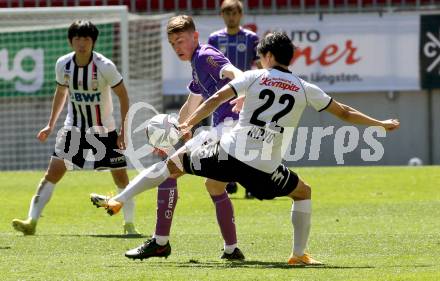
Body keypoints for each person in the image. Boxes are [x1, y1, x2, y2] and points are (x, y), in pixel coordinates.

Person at [90, 32, 400, 264]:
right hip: (265, 168)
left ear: (266, 56)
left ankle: (119, 200)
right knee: (303, 192)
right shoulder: (306, 88)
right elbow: (344, 111)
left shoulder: (255, 76)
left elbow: (214, 100)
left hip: (229, 153)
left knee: (173, 164)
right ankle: (298, 254)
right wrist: (379, 124)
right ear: (289, 58)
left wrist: (188, 124)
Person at [94, 15, 245, 259]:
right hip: (229, 134)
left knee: (168, 169)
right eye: (173, 43)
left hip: (230, 131)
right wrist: (173, 132)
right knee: (214, 185)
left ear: (195, 37)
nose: (177, 47)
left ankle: (142, 223)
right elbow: (191, 103)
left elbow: (235, 72)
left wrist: (242, 92)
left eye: (181, 41)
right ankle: (232, 250)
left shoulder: (206, 56)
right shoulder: (197, 64)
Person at [12, 20, 140, 236]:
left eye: (86, 39)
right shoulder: (63, 64)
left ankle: (129, 225)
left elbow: (124, 96)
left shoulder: (104, 66)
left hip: (104, 131)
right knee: (53, 172)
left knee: (120, 177)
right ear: (71, 41)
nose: (82, 43)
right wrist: (51, 124)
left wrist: (123, 130)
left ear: (93, 42)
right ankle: (31, 221)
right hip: (74, 129)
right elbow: (61, 93)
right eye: (78, 39)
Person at [208, 0, 261, 198]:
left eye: (235, 13)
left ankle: (250, 183)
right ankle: (228, 180)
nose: (231, 17)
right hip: (223, 96)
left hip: (246, 94)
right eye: (227, 13)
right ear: (222, 15)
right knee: (222, 138)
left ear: (241, 15)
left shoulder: (251, 38)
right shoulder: (215, 39)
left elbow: (258, 65)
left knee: (248, 136)